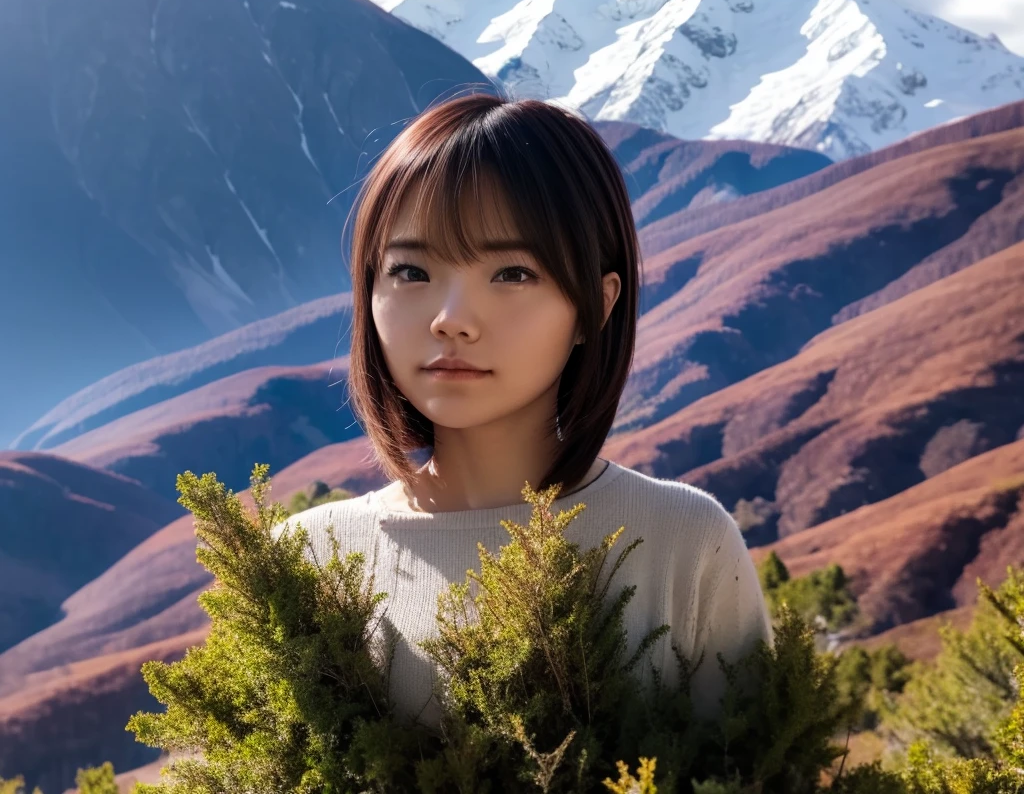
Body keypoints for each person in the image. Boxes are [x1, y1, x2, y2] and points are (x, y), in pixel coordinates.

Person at [278, 90, 772, 732]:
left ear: (595, 306)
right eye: (409, 271)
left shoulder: (683, 541)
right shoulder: (310, 558)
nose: (450, 319)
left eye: (511, 273)